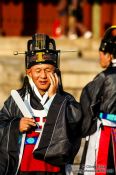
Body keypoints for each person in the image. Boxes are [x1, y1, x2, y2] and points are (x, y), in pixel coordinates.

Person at [0, 33, 82, 175]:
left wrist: (54, 99)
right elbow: (1, 124)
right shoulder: (16, 99)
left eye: (48, 70)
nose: (43, 76)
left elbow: (77, 124)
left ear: (56, 72)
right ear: (29, 73)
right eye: (37, 70)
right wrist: (16, 126)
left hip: (54, 168)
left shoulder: (66, 100)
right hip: (23, 168)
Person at [78, 26, 116, 175]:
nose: (100, 57)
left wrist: (86, 127)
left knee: (98, 169)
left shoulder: (104, 77)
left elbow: (88, 102)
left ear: (109, 55)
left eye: (101, 54)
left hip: (105, 132)